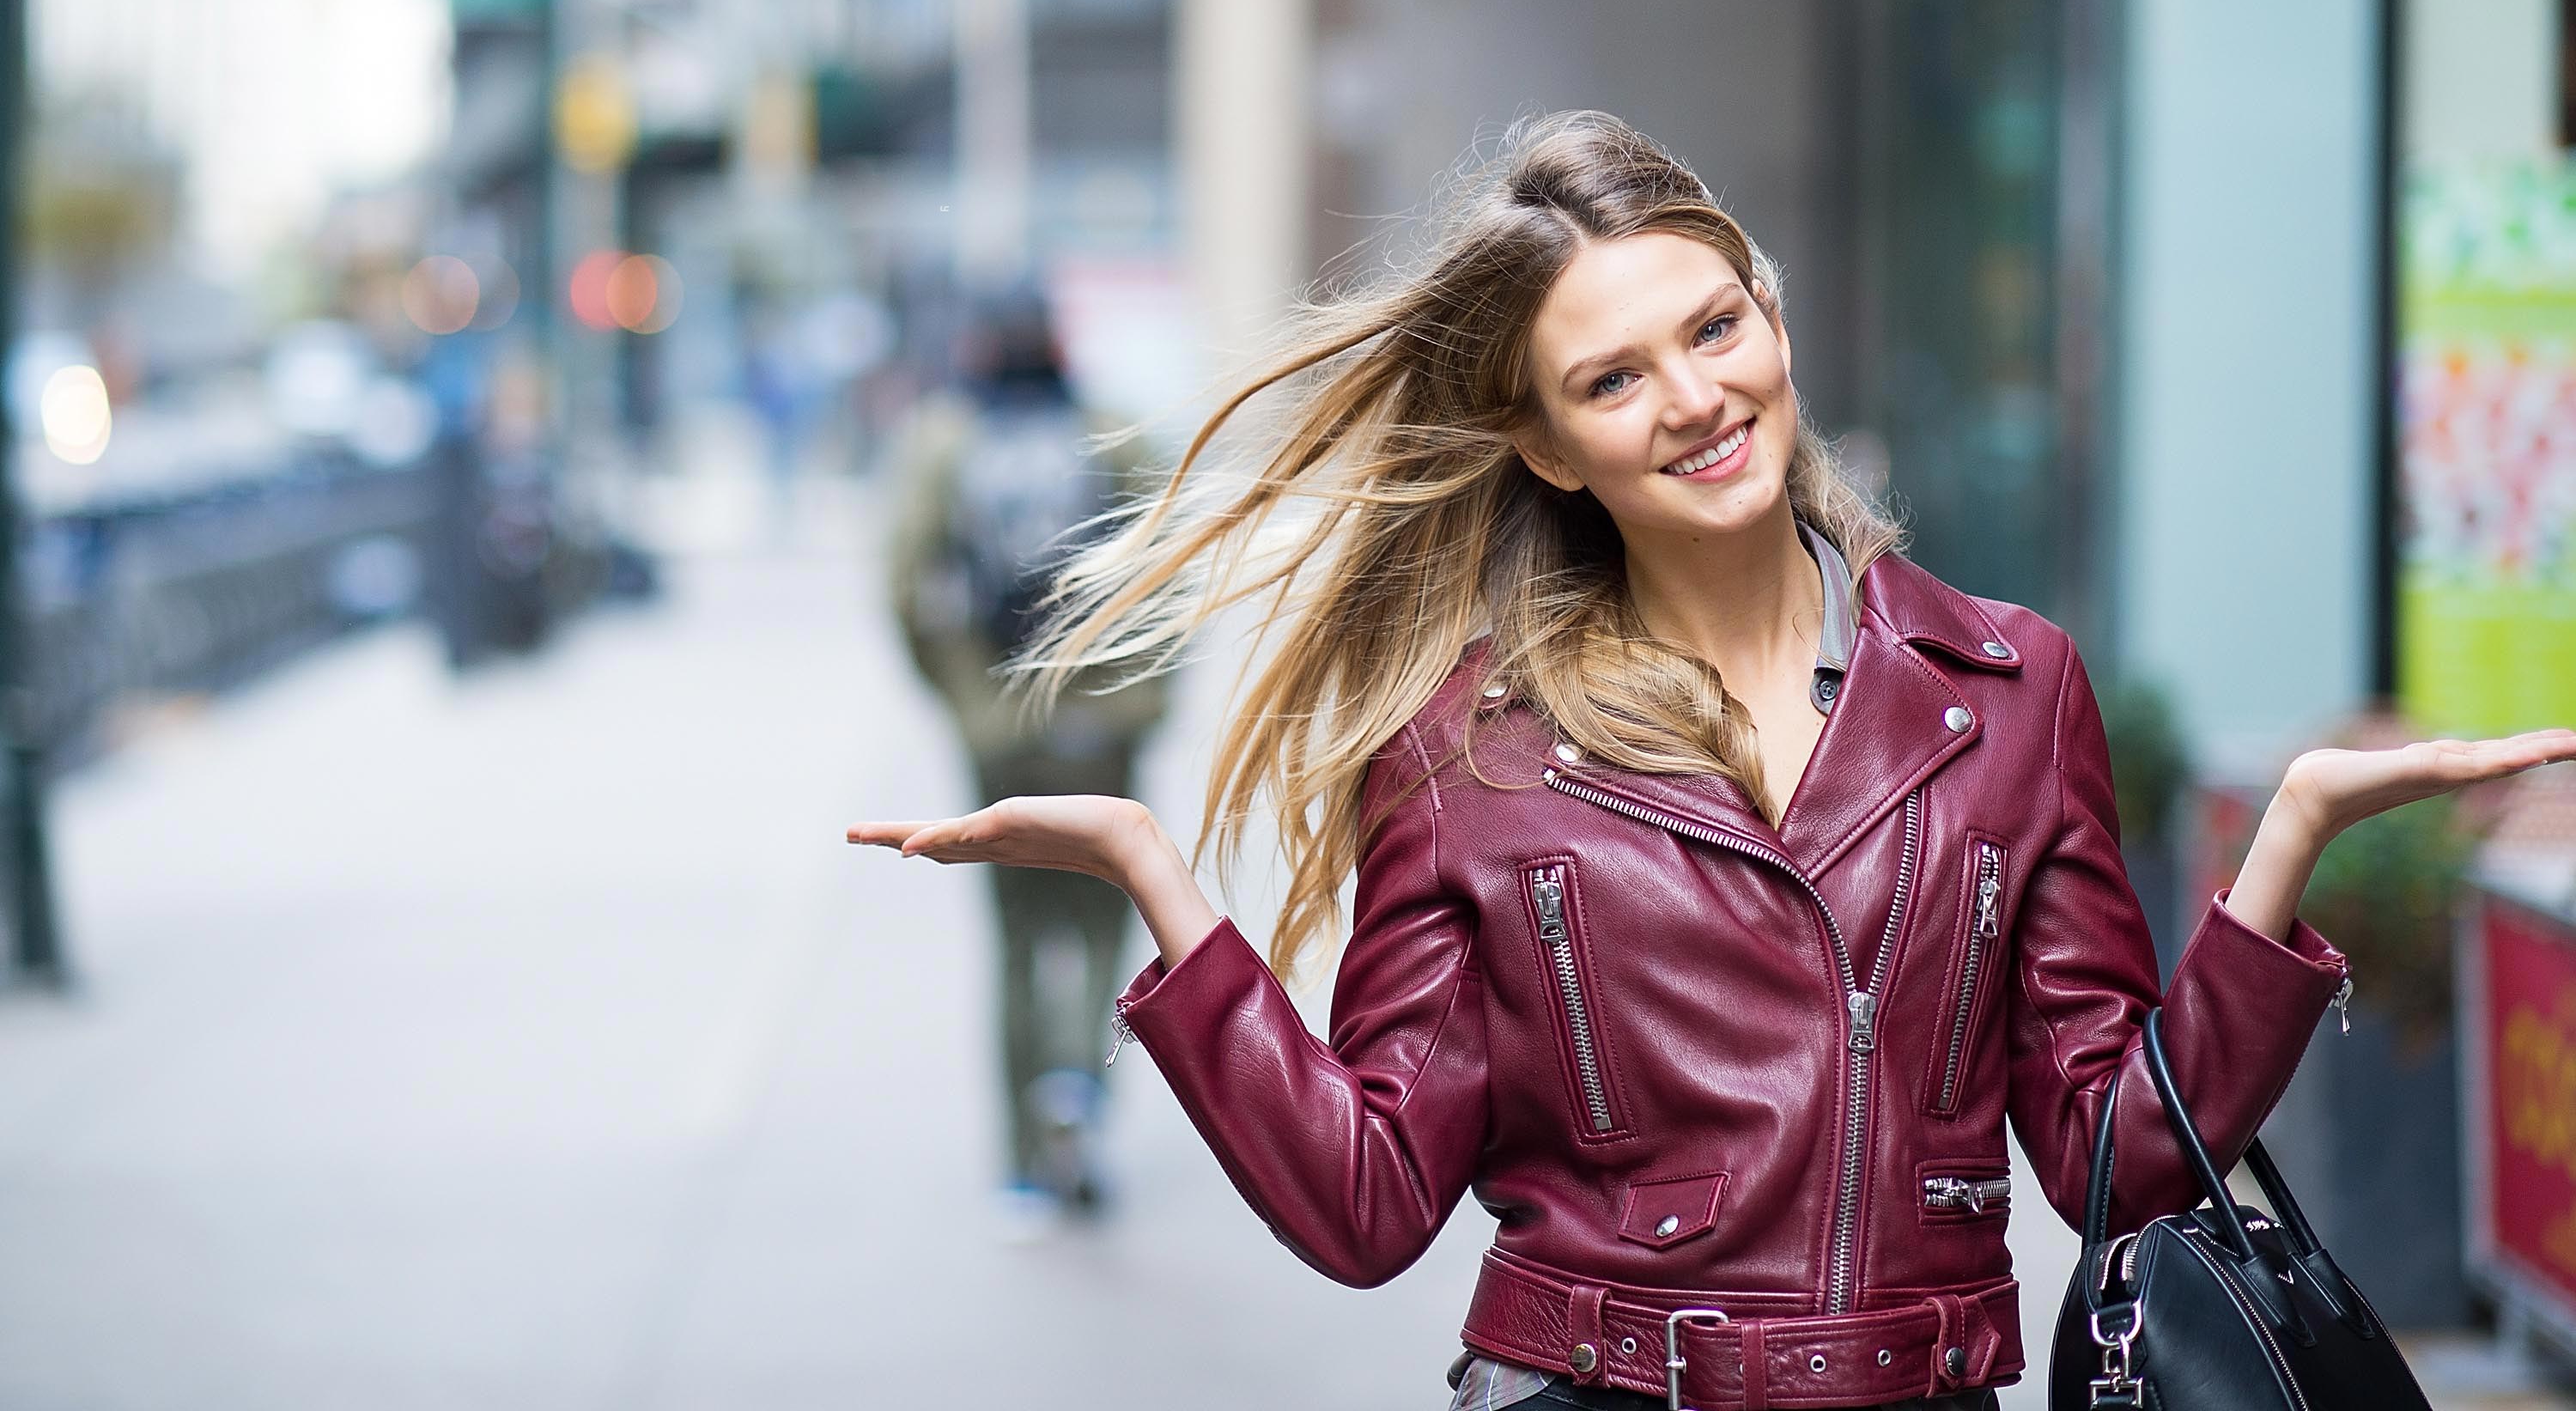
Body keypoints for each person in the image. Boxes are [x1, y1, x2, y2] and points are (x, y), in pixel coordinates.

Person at [852, 113, 2576, 1408]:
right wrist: (1167, 894)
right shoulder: (1466, 760)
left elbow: (2110, 1156)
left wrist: (2275, 867)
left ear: (1772, 314)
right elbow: (1370, 1201)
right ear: (1543, 440)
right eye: (1612, 376)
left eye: (1713, 324)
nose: (1693, 394)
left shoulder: (2009, 689)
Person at [885, 283, 1167, 1230]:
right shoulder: (1112, 433)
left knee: (1013, 934)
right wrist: (1140, 701)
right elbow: (1176, 563)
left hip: (999, 726)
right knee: (1096, 921)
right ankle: (1076, 1085)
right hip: (1099, 727)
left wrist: (960, 696)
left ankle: (1018, 1160)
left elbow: (901, 576)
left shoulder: (944, 443)